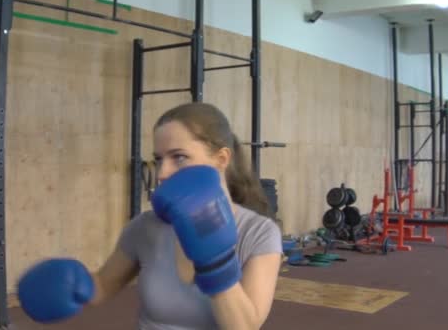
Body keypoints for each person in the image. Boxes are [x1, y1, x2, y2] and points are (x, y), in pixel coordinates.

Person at [17, 102, 283, 329]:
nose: (163, 173)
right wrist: (72, 282)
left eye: (179, 157)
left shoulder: (258, 232)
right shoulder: (145, 226)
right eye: (158, 159)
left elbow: (247, 326)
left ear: (221, 159)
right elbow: (102, 285)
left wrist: (215, 262)